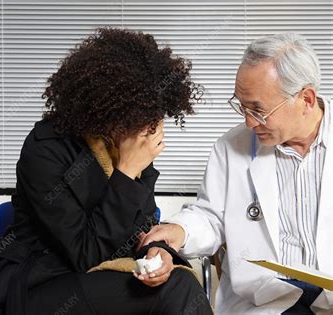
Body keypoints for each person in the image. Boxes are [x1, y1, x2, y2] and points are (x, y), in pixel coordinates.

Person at [0, 28, 212, 315]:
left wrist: (157, 252)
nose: (146, 128)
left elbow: (142, 226)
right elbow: (85, 254)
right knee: (178, 290)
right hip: (38, 285)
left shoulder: (126, 143)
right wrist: (127, 170)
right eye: (138, 115)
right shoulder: (45, 149)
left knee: (176, 280)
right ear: (107, 105)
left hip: (100, 283)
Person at [139, 32, 333, 314]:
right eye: (242, 106)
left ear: (306, 99)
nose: (249, 122)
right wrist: (180, 230)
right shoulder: (231, 148)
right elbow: (210, 216)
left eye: (258, 110)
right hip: (267, 301)